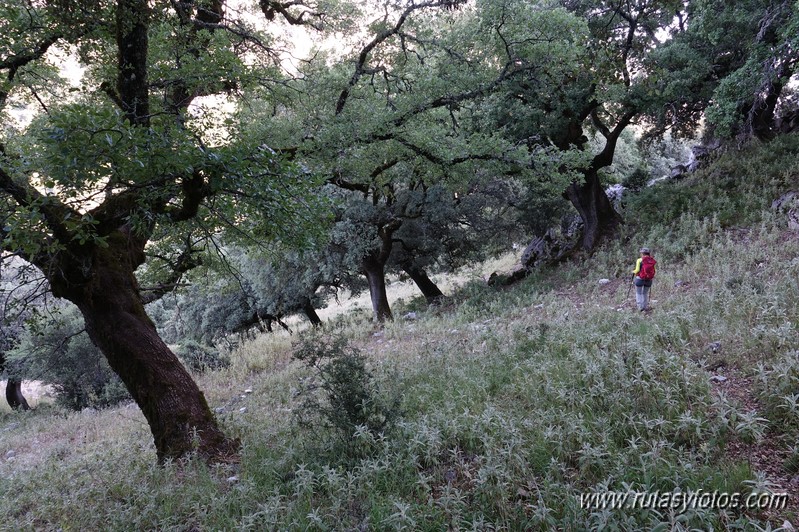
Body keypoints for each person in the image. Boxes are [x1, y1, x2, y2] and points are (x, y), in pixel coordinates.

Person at [632, 247, 656, 311]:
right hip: (649, 279)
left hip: (640, 279)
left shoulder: (639, 260)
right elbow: (654, 270)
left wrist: (633, 271)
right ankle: (645, 306)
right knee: (645, 293)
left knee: (638, 293)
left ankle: (640, 307)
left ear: (642, 253)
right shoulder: (652, 260)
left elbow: (637, 270)